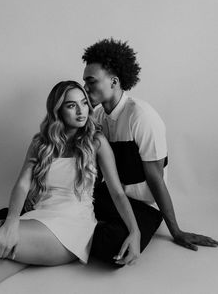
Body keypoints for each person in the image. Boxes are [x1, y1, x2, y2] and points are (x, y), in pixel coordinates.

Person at [0, 81, 141, 293]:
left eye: (84, 103)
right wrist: (12, 221)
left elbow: (117, 193)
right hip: (37, 219)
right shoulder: (41, 143)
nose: (81, 110)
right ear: (57, 110)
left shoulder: (96, 141)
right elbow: (22, 185)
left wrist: (135, 231)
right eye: (71, 105)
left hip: (71, 228)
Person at [82, 38, 217, 264]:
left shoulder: (141, 116)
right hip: (114, 197)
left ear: (114, 82)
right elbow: (96, 170)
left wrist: (176, 231)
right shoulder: (97, 116)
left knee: (116, 252)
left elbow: (155, 178)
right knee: (58, 201)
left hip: (143, 207)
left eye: (91, 81)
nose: (85, 87)